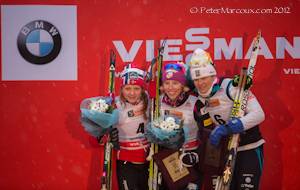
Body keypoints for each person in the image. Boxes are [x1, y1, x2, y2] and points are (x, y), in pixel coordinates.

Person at [189, 48, 265, 190]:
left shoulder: (232, 87)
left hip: (248, 148)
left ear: (213, 75)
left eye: (204, 78)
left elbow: (259, 114)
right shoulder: (197, 94)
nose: (200, 83)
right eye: (196, 79)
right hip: (224, 152)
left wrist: (227, 128)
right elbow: (174, 84)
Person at [89, 63, 150, 190]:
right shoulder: (113, 105)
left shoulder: (151, 101)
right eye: (127, 88)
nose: (132, 93)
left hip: (149, 162)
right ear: (121, 88)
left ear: (142, 88)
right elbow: (93, 140)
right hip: (126, 163)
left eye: (136, 88)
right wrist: (103, 137)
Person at [158, 62, 213, 190]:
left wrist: (196, 155)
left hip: (191, 161)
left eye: (175, 83)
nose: (170, 88)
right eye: (167, 83)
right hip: (168, 161)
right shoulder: (157, 103)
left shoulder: (196, 104)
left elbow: (209, 134)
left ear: (183, 85)